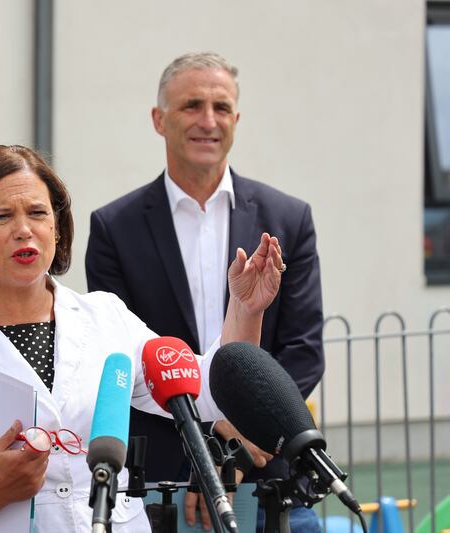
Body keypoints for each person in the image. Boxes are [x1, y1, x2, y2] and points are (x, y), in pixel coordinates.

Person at [0, 144, 286, 533]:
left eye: (37, 213)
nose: (23, 230)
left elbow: (206, 394)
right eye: (1, 217)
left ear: (56, 227)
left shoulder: (105, 317)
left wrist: (246, 309)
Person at [85, 52, 324, 531]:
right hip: (164, 482)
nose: (207, 121)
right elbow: (121, 358)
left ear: (236, 119)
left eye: (221, 107)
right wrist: (207, 439)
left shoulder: (288, 218)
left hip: (268, 470)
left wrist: (242, 433)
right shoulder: (115, 227)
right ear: (159, 120)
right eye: (192, 105)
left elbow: (302, 348)